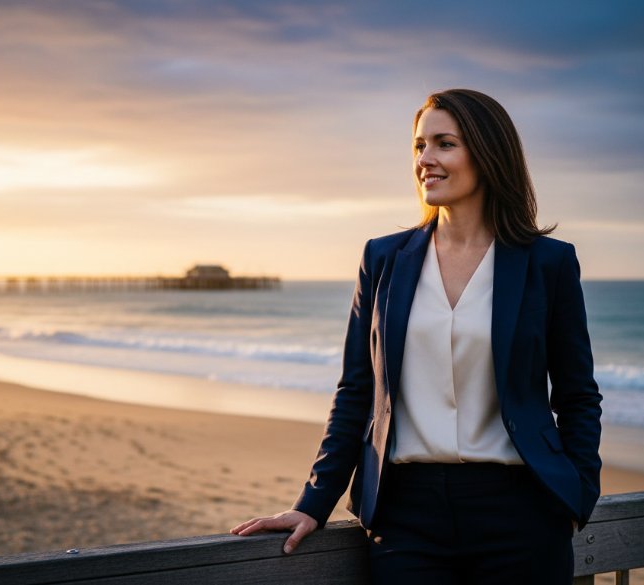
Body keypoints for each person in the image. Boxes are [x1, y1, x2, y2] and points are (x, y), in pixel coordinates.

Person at [231, 88, 602, 584]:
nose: (425, 159)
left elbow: (577, 395)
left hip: (521, 512)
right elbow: (357, 392)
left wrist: (577, 495)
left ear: (488, 154)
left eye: (444, 143)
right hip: (406, 517)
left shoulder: (548, 263)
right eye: (418, 146)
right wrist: (313, 503)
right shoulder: (383, 260)